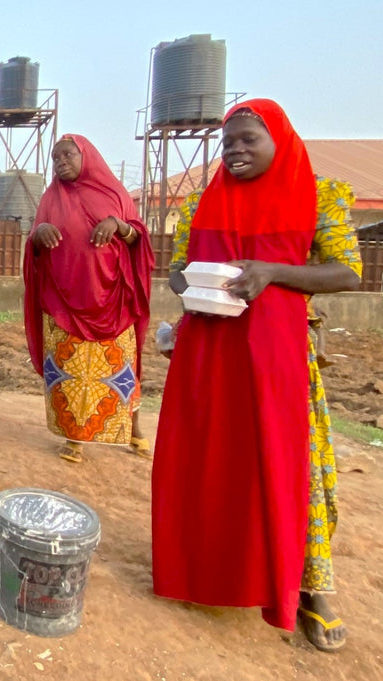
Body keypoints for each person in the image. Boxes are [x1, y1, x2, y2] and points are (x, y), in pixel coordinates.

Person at [153, 99, 361, 651]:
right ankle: (204, 573)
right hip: (209, 352)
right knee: (210, 462)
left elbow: (346, 273)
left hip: (277, 359)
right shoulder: (203, 201)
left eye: (250, 140)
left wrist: (273, 272)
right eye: (229, 143)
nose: (238, 151)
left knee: (290, 472)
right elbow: (176, 269)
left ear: (280, 140)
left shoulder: (320, 195)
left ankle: (309, 592)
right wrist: (195, 285)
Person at [22, 134, 155, 463]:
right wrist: (37, 236)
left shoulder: (113, 193)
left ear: (87, 157)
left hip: (112, 298)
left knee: (119, 368)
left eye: (68, 154)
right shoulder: (51, 197)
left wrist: (118, 225)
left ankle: (133, 429)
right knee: (70, 370)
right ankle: (74, 436)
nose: (61, 161)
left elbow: (138, 235)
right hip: (62, 300)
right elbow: (34, 242)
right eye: (55, 158)